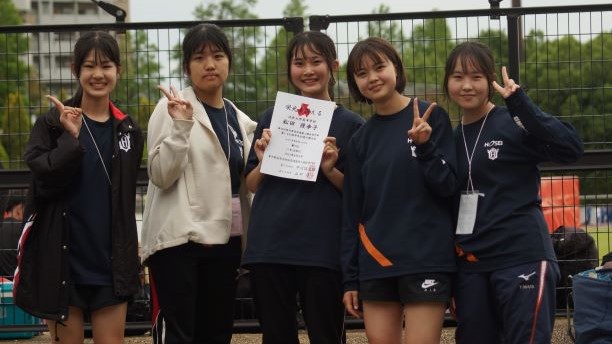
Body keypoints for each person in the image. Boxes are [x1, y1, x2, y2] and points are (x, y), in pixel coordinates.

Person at [445, 41, 583, 344]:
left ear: (490, 80)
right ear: (447, 83)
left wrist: (521, 103)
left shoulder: (513, 122)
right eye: (458, 77)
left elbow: (571, 148)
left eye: (476, 77)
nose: (467, 85)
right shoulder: (449, 139)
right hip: (471, 265)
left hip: (521, 256)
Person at [17, 31, 144, 343]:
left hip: (110, 266)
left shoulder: (129, 130)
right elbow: (43, 183)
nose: (98, 74)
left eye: (106, 66)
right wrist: (70, 139)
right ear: (76, 70)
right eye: (89, 66)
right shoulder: (52, 123)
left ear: (118, 71)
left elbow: (126, 200)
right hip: (62, 263)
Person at [242, 31, 364, 344]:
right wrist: (263, 161)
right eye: (299, 63)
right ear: (289, 69)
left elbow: (359, 192)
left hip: (322, 248)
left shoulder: (351, 125)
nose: (307, 70)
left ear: (333, 65)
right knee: (276, 335)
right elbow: (251, 183)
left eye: (316, 61)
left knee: (326, 335)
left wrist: (330, 169)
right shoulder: (273, 117)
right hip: (270, 245)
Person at [140, 23, 257, 344]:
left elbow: (247, 180)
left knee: (217, 331)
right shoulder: (171, 107)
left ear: (229, 62)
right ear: (186, 67)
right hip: (181, 243)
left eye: (218, 56)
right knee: (181, 332)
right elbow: (161, 174)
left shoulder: (237, 118)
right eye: (199, 57)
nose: (210, 64)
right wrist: (180, 126)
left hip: (225, 242)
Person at [342, 37, 457, 344]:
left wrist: (425, 146)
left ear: (396, 69)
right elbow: (352, 211)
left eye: (380, 66)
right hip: (376, 261)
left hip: (426, 259)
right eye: (362, 72)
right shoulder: (359, 140)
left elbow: (449, 187)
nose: (372, 77)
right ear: (355, 82)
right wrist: (350, 278)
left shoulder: (433, 118)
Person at [0, 192, 25, 279]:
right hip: (21, 284)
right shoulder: (23, 230)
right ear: (19, 210)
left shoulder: (2, 228)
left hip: (3, 284)